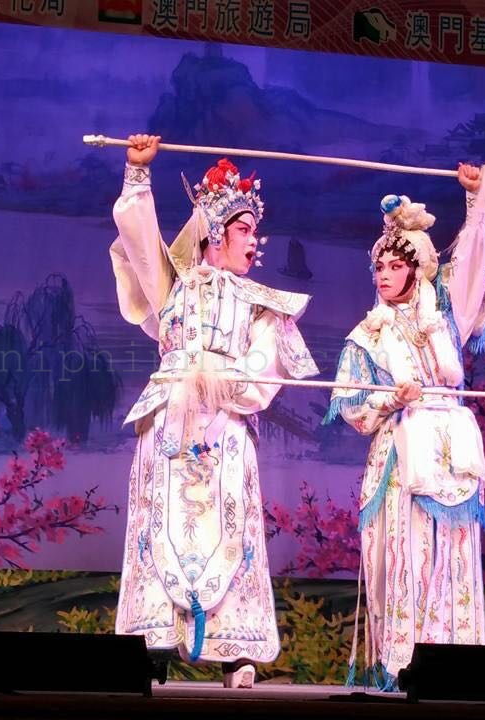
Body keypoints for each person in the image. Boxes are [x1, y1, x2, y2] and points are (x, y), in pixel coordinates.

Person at [110, 134, 319, 688]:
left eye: (255, 232)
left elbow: (264, 370)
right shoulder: (174, 287)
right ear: (215, 233)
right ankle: (153, 643)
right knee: (160, 527)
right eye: (244, 230)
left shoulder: (261, 304)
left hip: (224, 427)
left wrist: (222, 385)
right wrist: (137, 173)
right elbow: (139, 240)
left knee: (231, 532)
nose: (255, 242)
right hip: (170, 424)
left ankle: (235, 650)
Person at [325, 163, 485, 689]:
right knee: (403, 560)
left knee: (452, 562)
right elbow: (353, 410)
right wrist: (390, 400)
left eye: (394, 265)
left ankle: (457, 670)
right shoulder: (366, 335)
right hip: (398, 460)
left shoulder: (446, 318)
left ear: (417, 269)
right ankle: (402, 667)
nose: (383, 275)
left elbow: (472, 264)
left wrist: (476, 201)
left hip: (450, 455)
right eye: (378, 267)